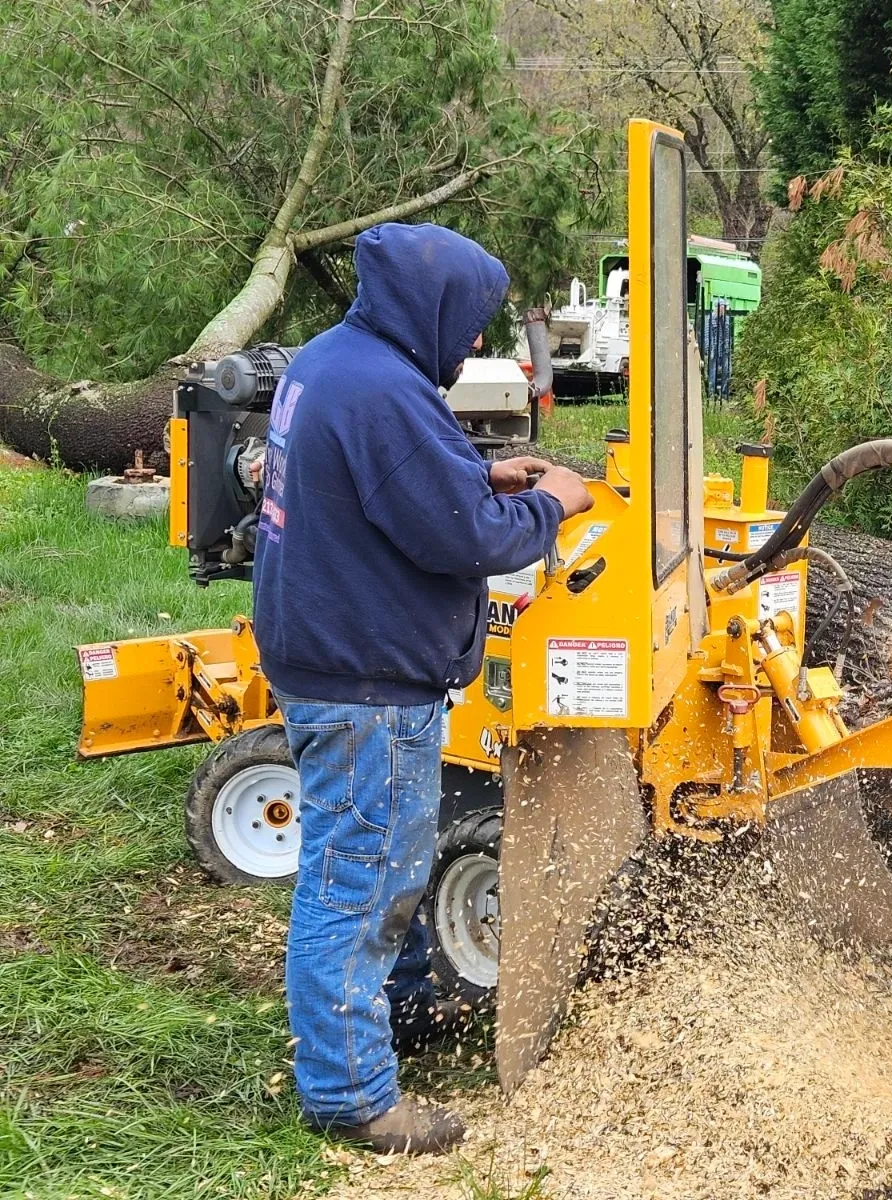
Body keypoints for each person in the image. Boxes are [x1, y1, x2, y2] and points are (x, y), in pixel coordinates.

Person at [252, 222, 593, 1155]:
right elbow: (469, 541)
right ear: (429, 308)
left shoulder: (338, 361)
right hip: (363, 681)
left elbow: (384, 487)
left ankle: (392, 1015)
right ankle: (352, 1097)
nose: (475, 343)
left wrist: (478, 475)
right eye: (470, 323)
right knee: (355, 882)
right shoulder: (385, 392)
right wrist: (549, 502)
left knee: (384, 860)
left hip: (333, 655)